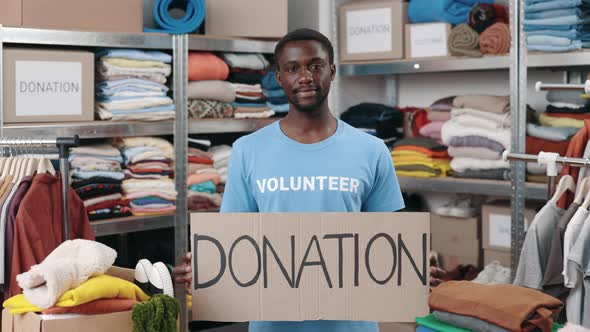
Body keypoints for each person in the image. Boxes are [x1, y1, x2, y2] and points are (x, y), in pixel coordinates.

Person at [174, 28, 445, 332]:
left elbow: (392, 240)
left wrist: (415, 269)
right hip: (273, 325)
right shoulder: (248, 150)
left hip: (351, 325)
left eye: (315, 66)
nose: (305, 76)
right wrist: (205, 269)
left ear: (332, 71)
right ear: (279, 77)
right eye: (292, 68)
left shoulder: (371, 150)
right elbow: (235, 244)